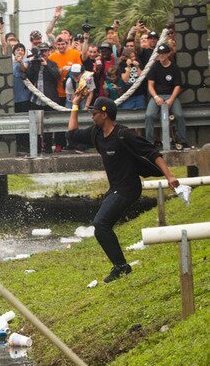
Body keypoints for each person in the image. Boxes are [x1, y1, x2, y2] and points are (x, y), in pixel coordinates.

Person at [67, 94, 179, 283]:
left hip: (129, 188)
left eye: (94, 113)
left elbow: (152, 153)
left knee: (101, 225)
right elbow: (71, 134)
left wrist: (170, 177)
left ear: (105, 115)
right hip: (115, 188)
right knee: (103, 226)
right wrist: (75, 105)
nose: (92, 116)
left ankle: (121, 267)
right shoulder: (96, 133)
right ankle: (121, 266)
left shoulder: (123, 134)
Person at [145, 44, 186, 146]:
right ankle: (149, 142)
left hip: (170, 95)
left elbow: (178, 86)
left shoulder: (174, 67)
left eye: (163, 54)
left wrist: (171, 99)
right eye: (160, 54)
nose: (161, 56)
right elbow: (150, 85)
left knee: (179, 115)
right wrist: (155, 97)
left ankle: (182, 140)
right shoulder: (155, 66)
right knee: (149, 115)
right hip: (157, 95)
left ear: (168, 54)